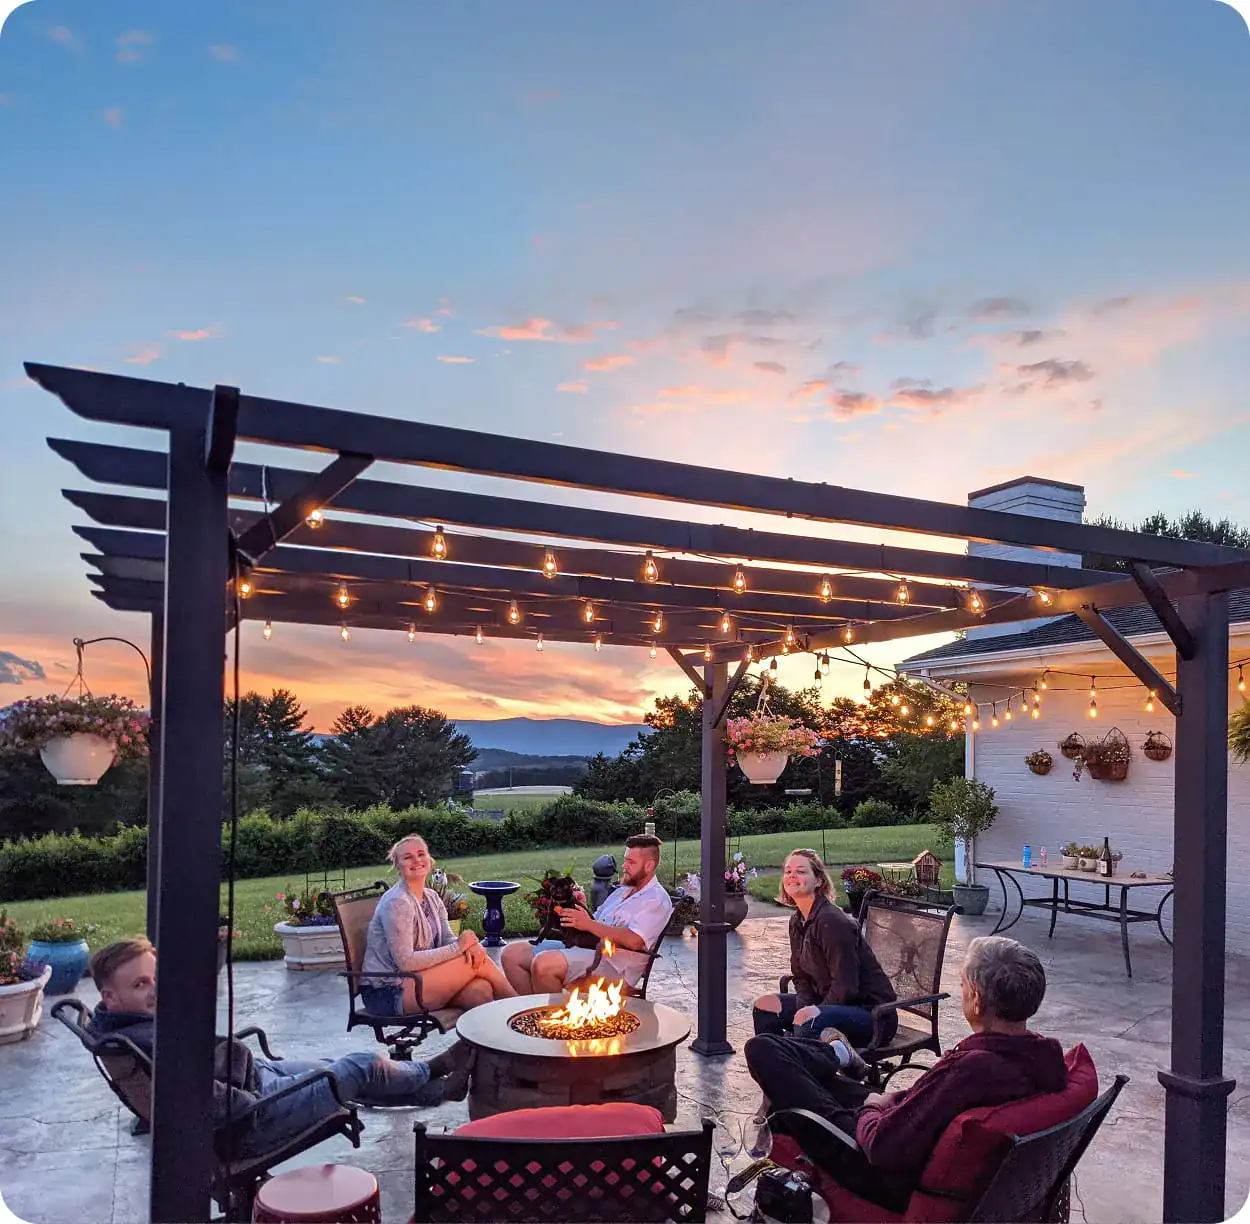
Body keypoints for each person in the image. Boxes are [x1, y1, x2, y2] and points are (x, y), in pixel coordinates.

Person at [744, 935, 1069, 1210]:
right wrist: (895, 1099)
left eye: (963, 986)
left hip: (868, 1159)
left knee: (765, 1051)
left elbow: (883, 1147)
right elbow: (929, 1105)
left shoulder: (972, 1069)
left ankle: (834, 1054)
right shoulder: (1043, 1056)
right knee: (802, 1079)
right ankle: (835, 1055)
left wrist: (874, 1106)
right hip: (906, 1126)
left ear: (978, 1000)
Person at [85, 938, 474, 1159]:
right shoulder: (148, 1045)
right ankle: (432, 1071)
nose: (155, 990)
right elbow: (216, 1103)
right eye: (140, 985)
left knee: (334, 1066)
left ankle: (436, 1090)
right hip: (253, 1118)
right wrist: (252, 1093)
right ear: (110, 996)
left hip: (253, 1079)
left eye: (156, 978)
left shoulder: (123, 1029)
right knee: (358, 1067)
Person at [751, 849, 897, 1044]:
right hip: (828, 1005)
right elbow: (800, 976)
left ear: (819, 881)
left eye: (801, 871)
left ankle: (809, 1069)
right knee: (765, 1006)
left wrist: (814, 1013)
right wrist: (806, 1008)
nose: (792, 876)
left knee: (808, 1020)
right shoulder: (797, 920)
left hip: (872, 1015)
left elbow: (846, 987)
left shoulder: (832, 922)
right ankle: (779, 1066)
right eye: (788, 871)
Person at [362, 834, 518, 1015]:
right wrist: (460, 948)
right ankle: (522, 1008)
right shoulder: (398, 902)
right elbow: (406, 962)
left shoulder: (431, 897)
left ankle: (484, 1041)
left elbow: (447, 938)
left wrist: (470, 947)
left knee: (480, 991)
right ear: (397, 866)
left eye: (421, 854)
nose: (416, 860)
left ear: (429, 859)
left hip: (419, 978)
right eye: (407, 857)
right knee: (474, 963)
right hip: (387, 992)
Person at [501, 834, 672, 993]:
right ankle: (535, 1013)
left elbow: (635, 941)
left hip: (614, 965)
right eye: (625, 860)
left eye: (631, 862)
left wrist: (588, 924)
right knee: (511, 954)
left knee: (544, 964)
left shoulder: (656, 899)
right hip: (586, 947)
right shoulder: (622, 891)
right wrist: (574, 913)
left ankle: (551, 1020)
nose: (624, 866)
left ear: (649, 865)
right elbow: (595, 919)